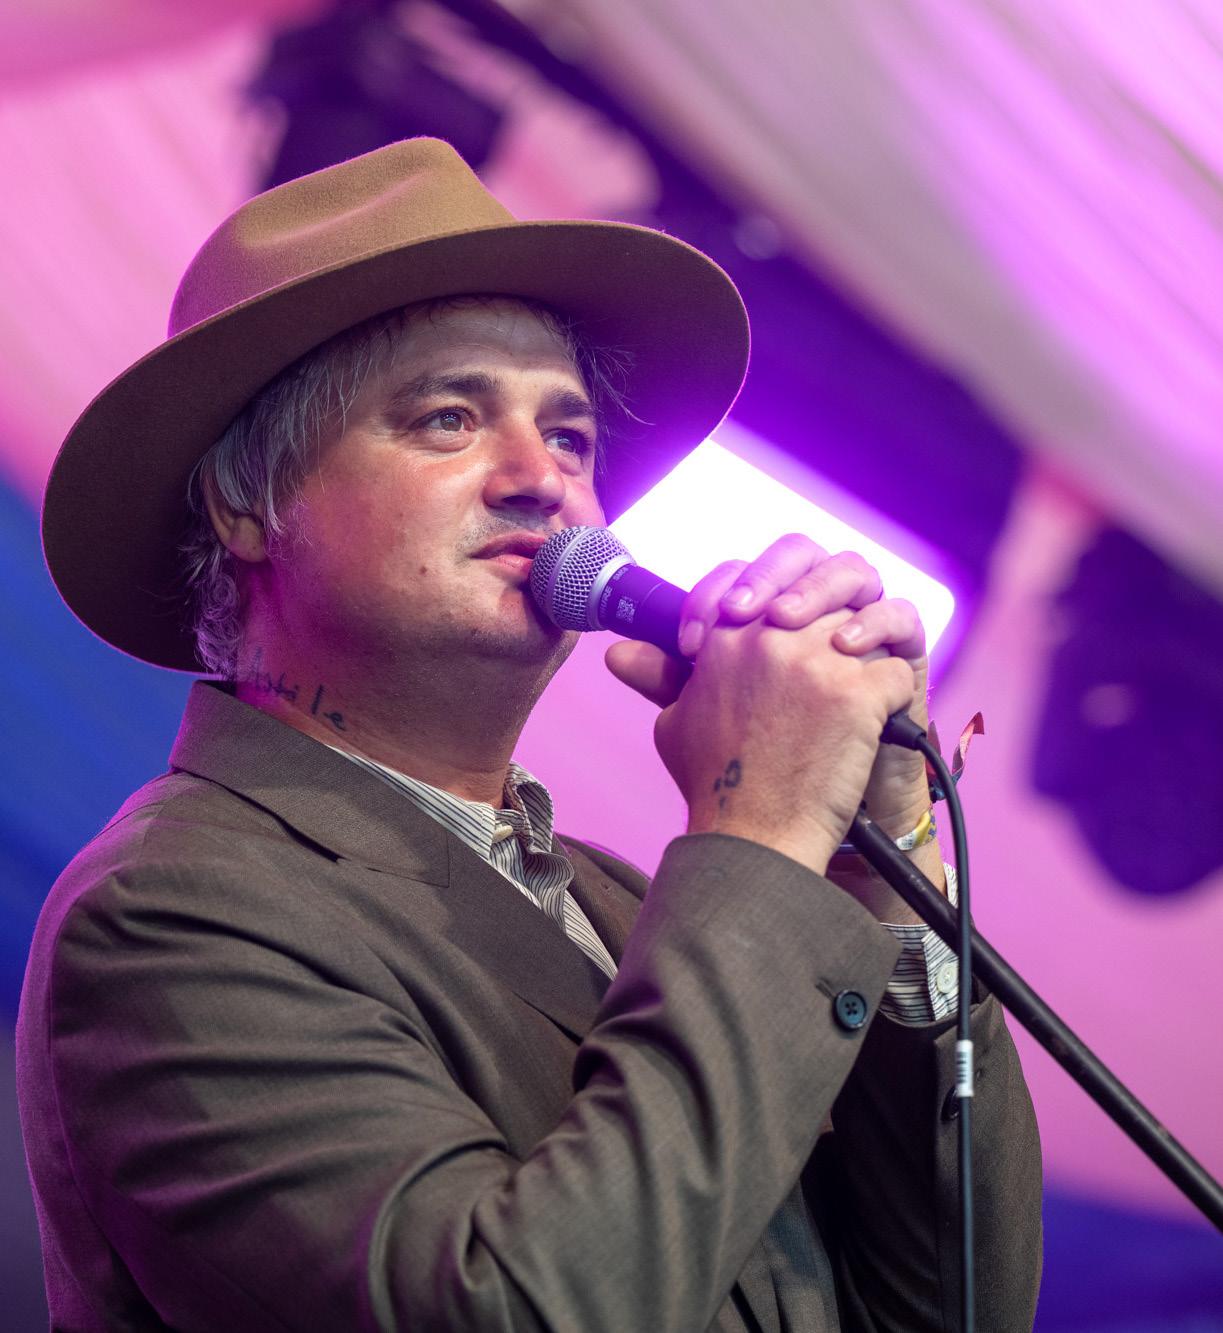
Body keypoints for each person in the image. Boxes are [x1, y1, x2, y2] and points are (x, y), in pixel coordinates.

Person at [18, 137, 1041, 1331]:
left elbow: (951, 1310)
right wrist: (762, 827)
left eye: (569, 437)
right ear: (247, 504)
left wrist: (879, 871)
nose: (540, 478)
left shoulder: (632, 909)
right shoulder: (175, 909)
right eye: (447, 418)